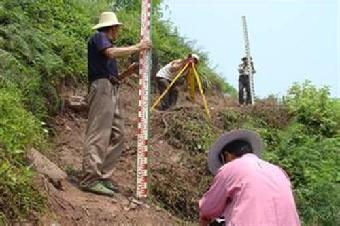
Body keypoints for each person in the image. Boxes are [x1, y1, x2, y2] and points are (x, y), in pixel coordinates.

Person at [80, 12, 152, 196]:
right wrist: (138, 47)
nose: (118, 31)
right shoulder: (99, 38)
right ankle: (90, 178)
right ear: (112, 28)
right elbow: (111, 54)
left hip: (111, 88)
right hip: (102, 88)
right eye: (117, 28)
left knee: (118, 134)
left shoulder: (107, 46)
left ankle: (103, 176)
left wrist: (128, 72)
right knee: (99, 133)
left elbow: (114, 77)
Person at [199, 129, 301, 226]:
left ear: (227, 155)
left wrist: (205, 218)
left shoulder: (230, 168)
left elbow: (208, 208)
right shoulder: (278, 171)